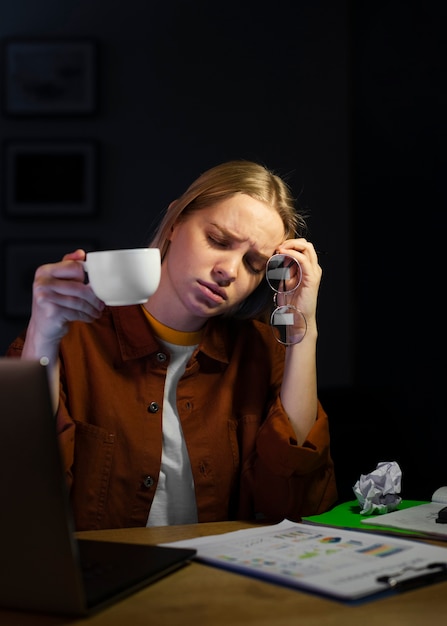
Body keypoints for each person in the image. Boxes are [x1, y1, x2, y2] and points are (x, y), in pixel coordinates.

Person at [7, 160, 337, 530]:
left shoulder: (259, 353)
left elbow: (300, 504)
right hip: (97, 580)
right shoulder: (71, 339)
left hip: (214, 579)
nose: (229, 270)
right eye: (218, 240)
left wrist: (303, 331)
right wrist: (43, 336)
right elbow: (20, 493)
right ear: (176, 222)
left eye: (254, 263)